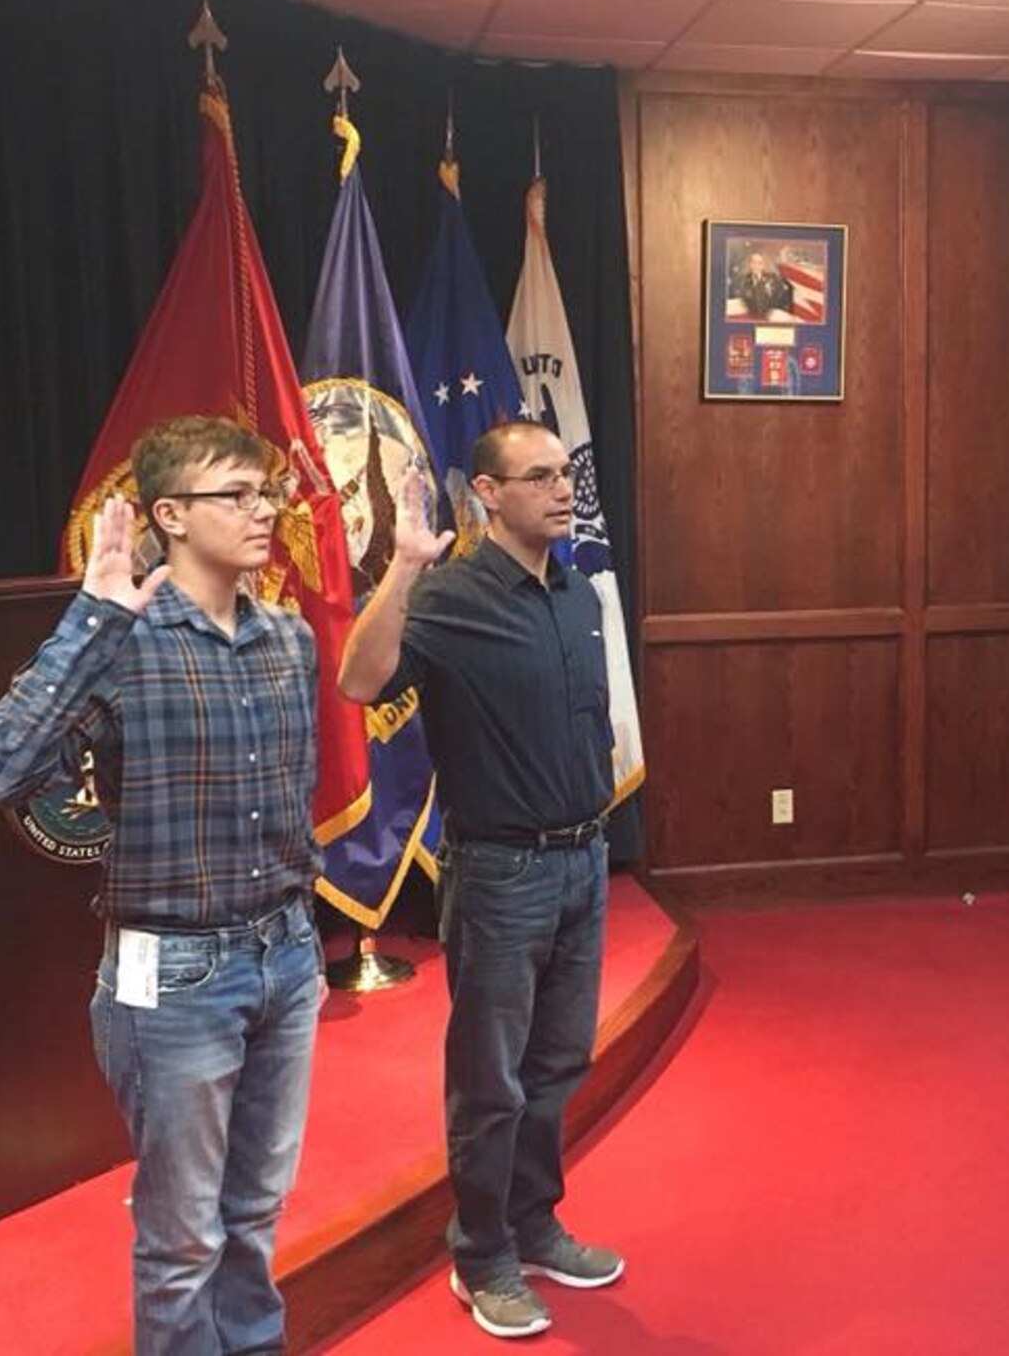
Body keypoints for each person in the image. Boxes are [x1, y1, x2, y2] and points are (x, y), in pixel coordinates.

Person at [0, 415, 326, 1356]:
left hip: (286, 955)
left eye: (269, 494)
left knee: (256, 1210)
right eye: (238, 496)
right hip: (173, 979)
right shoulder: (120, 640)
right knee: (181, 1239)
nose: (265, 513)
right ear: (168, 514)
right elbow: (1, 770)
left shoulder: (288, 641)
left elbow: (293, 801)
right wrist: (93, 615)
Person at [338, 420, 621, 1341]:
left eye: (562, 475)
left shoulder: (577, 593)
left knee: (559, 1062)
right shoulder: (452, 598)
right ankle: (484, 1256)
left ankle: (535, 1223)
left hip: (584, 862)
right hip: (501, 873)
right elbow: (359, 680)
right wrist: (405, 570)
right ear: (488, 495)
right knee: (490, 1081)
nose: (560, 489)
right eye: (536, 478)